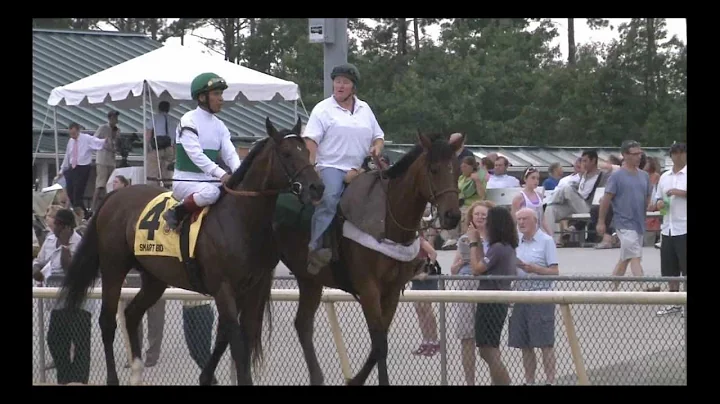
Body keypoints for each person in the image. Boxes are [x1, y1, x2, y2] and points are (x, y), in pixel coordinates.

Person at [302, 63, 385, 274]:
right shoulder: (322, 109)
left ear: (353, 87)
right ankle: (315, 247)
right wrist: (312, 168)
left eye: (345, 82)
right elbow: (311, 141)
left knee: (383, 197)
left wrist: (376, 148)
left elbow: (378, 136)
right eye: (337, 81)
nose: (339, 85)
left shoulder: (365, 109)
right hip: (331, 166)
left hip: (361, 168)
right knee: (329, 200)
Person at [163, 73, 241, 230]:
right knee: (212, 193)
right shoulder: (188, 120)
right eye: (216, 94)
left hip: (209, 181)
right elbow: (196, 155)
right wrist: (222, 174)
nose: (221, 99)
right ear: (202, 98)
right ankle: (176, 212)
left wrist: (239, 172)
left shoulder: (220, 125)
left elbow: (230, 153)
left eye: (221, 94)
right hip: (185, 182)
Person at [32, 208, 92, 384]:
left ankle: (79, 380)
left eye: (57, 224)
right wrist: (36, 269)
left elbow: (71, 269)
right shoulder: (50, 240)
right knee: (55, 340)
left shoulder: (79, 242)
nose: (53, 226)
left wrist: (65, 244)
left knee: (80, 344)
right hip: (58, 303)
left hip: (79, 304)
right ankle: (64, 377)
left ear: (66, 226)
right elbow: (39, 261)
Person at [467, 206, 517, 385]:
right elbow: (483, 264)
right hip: (495, 300)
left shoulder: (498, 248)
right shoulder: (505, 247)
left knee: (488, 350)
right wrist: (480, 243)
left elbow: (476, 269)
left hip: (492, 302)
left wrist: (473, 243)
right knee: (488, 349)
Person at [509, 208, 559, 385]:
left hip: (541, 297)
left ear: (534, 220)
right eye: (519, 220)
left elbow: (555, 271)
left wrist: (535, 269)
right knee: (525, 344)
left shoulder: (547, 241)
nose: (521, 223)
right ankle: (529, 381)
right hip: (521, 297)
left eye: (524, 219)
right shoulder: (517, 242)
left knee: (545, 343)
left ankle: (550, 381)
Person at [598, 140, 654, 289]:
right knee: (635, 255)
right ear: (625, 155)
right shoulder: (616, 177)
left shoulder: (644, 176)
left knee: (626, 258)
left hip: (639, 223)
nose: (639, 157)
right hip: (623, 223)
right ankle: (644, 288)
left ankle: (612, 290)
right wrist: (601, 221)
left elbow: (648, 199)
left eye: (640, 153)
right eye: (635, 154)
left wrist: (654, 205)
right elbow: (606, 200)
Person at [451, 200, 495, 385]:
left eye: (484, 214)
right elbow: (453, 269)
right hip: (466, 284)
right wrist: (458, 264)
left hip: (486, 285)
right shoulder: (464, 239)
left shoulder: (495, 239)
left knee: (490, 340)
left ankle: (496, 380)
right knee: (466, 336)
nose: (480, 217)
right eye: (477, 214)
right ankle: (470, 381)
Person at [654, 142, 686, 316]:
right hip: (668, 228)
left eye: (682, 153)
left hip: (685, 227)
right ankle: (674, 302)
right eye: (675, 153)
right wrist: (659, 203)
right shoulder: (664, 177)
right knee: (669, 268)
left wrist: (679, 192)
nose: (679, 157)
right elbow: (658, 198)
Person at [55, 122, 108, 218]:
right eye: (71, 134)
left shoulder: (86, 138)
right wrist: (61, 171)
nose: (73, 136)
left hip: (83, 168)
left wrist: (105, 141)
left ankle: (84, 215)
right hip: (72, 167)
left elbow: (96, 142)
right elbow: (67, 156)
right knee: (70, 193)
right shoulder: (71, 141)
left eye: (74, 134)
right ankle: (83, 213)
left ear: (78, 131)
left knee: (77, 195)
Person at [410, 237, 440, 357]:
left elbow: (433, 253)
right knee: (419, 309)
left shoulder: (419, 240)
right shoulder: (405, 243)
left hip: (426, 278)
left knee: (427, 309)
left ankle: (434, 341)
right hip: (415, 277)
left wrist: (427, 270)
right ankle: (426, 341)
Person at [92, 110, 120, 214]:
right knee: (100, 184)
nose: (116, 120)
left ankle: (107, 206)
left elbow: (117, 143)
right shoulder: (103, 128)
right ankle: (93, 208)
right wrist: (104, 143)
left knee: (110, 184)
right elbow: (94, 139)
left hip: (111, 160)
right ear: (110, 118)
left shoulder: (117, 130)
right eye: (114, 117)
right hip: (102, 159)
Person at [511, 167, 552, 236]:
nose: (536, 181)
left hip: (537, 231)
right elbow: (513, 220)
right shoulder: (519, 197)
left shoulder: (539, 195)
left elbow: (542, 218)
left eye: (537, 179)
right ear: (525, 179)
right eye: (533, 178)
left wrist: (550, 233)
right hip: (523, 233)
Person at [146, 101, 177, 189]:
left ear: (159, 108)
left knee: (153, 171)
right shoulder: (172, 120)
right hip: (169, 148)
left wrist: (147, 146)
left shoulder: (154, 118)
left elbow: (148, 133)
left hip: (157, 148)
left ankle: (152, 191)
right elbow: (175, 138)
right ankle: (167, 189)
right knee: (167, 171)